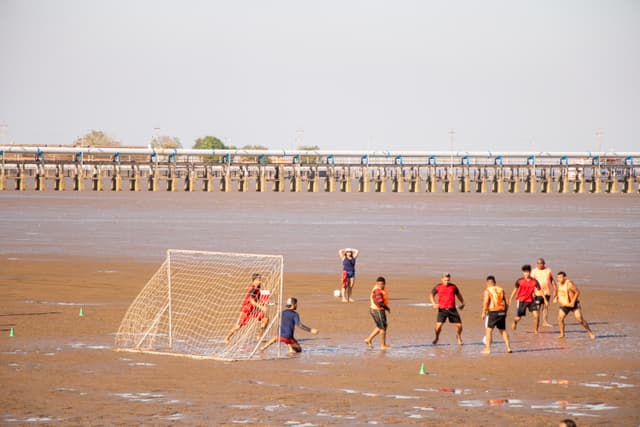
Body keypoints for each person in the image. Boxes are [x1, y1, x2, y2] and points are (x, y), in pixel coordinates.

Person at [224, 273, 269, 344]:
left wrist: (261, 302)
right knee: (238, 326)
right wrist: (261, 307)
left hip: (254, 309)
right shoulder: (253, 289)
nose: (259, 281)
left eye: (260, 280)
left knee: (265, 319)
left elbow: (256, 299)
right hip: (247, 309)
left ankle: (259, 336)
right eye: (257, 280)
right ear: (253, 281)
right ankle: (227, 338)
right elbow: (252, 301)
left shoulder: (258, 287)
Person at [554, 272, 595, 340]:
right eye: (558, 277)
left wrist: (573, 302)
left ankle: (590, 332)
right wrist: (556, 297)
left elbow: (577, 292)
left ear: (565, 277)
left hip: (574, 304)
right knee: (560, 319)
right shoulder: (558, 284)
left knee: (580, 319)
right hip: (565, 305)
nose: (559, 279)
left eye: (560, 277)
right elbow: (558, 291)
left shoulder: (569, 284)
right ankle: (562, 334)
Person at [430, 273, 465, 345]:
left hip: (452, 309)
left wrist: (462, 303)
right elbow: (431, 295)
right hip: (442, 310)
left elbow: (459, 295)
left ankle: (458, 336)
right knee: (438, 327)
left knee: (460, 326)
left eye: (448, 280)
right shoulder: (438, 287)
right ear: (442, 279)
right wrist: (433, 304)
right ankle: (437, 337)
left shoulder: (453, 287)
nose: (447, 282)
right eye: (445, 280)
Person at [481, 275, 512, 354]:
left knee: (488, 331)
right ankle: (508, 348)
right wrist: (506, 311)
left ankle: (488, 349)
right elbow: (507, 301)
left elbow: (485, 302)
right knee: (503, 330)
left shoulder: (487, 290)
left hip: (493, 312)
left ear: (487, 283)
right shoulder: (501, 289)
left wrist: (483, 312)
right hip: (502, 312)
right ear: (494, 282)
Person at [509, 264, 544, 333]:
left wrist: (545, 299)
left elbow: (540, 290)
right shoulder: (519, 281)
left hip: (531, 300)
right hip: (522, 301)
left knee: (536, 315)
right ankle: (515, 322)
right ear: (523, 272)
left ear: (530, 272)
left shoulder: (534, 281)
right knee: (518, 318)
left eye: (527, 272)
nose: (526, 274)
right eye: (524, 272)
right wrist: (510, 298)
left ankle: (536, 330)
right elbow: (515, 289)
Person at [364, 276, 391, 350]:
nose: (380, 286)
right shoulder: (377, 291)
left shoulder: (382, 288)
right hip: (377, 310)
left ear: (385, 284)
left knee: (382, 326)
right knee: (382, 328)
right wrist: (387, 308)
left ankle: (368, 339)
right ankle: (383, 345)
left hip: (379, 310)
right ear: (376, 284)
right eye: (379, 284)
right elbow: (379, 302)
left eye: (382, 284)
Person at [531, 257, 556, 327]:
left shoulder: (548, 270)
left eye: (541, 263)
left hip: (547, 291)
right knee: (537, 307)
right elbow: (532, 282)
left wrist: (555, 289)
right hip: (538, 292)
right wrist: (532, 292)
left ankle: (545, 322)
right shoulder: (534, 271)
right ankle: (536, 321)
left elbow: (552, 280)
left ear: (544, 264)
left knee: (545, 307)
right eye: (538, 263)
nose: (539, 265)